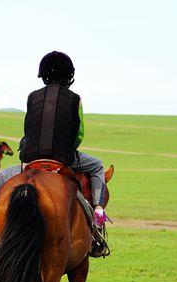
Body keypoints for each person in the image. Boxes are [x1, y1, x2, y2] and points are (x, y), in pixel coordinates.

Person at [19, 51, 108, 233]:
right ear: (69, 76)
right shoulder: (75, 99)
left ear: (42, 75)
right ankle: (98, 211)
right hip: (63, 158)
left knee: (7, 178)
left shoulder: (32, 97)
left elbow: (28, 129)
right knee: (98, 165)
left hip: (31, 157)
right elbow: (79, 134)